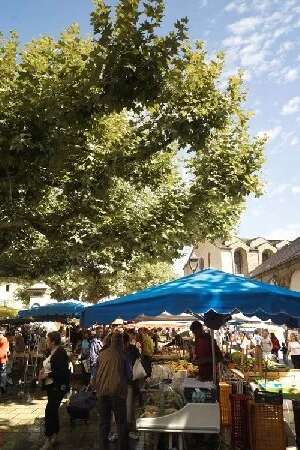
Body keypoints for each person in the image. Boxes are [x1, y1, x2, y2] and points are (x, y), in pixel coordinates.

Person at [95, 332, 131, 450]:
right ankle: (123, 447)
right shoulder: (123, 356)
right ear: (121, 342)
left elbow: (95, 373)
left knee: (103, 423)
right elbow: (130, 375)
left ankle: (103, 447)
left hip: (101, 392)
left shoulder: (102, 354)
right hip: (117, 392)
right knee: (121, 423)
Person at [39, 331, 70, 450]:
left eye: (47, 340)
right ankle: (55, 435)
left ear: (52, 341)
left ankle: (48, 438)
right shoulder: (52, 352)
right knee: (53, 410)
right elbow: (50, 366)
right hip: (52, 387)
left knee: (49, 411)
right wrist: (43, 371)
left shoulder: (60, 353)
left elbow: (62, 372)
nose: (46, 342)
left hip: (58, 387)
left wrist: (47, 375)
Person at [0, 329, 9, 394]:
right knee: (3, 373)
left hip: (2, 358)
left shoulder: (3, 339)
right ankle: (3, 386)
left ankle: (2, 387)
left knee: (3, 373)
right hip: (3, 359)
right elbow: (8, 351)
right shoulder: (5, 339)